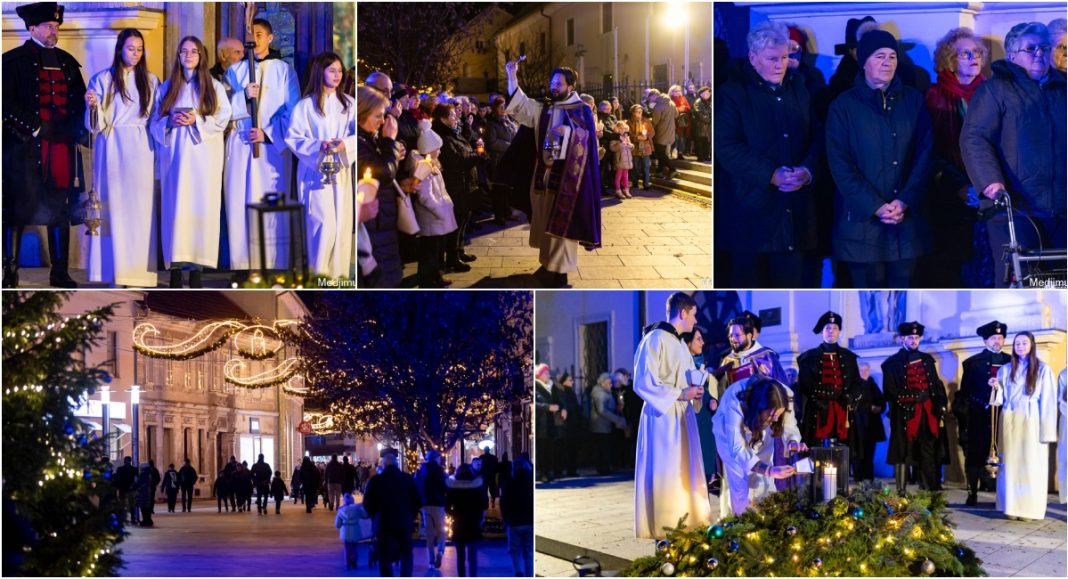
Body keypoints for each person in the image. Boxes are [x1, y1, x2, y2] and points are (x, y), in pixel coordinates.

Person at [715, 20, 821, 288]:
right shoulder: (732, 94)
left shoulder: (799, 88)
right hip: (751, 218)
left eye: (785, 57)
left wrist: (807, 170)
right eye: (772, 58)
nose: (780, 65)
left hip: (795, 219)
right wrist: (771, 174)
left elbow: (818, 136)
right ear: (753, 58)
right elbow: (726, 146)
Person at [960, 22, 1067, 286]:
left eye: (1043, 47)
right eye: (1030, 49)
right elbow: (974, 138)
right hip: (1016, 208)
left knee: (1058, 283)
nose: (1039, 54)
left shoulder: (1062, 88)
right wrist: (991, 183)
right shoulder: (995, 91)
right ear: (1011, 55)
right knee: (1021, 281)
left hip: (1061, 208)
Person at [826, 28, 933, 288]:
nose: (887, 63)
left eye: (892, 56)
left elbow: (925, 154)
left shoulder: (913, 100)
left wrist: (904, 200)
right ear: (863, 62)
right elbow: (840, 164)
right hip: (861, 226)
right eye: (879, 56)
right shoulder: (843, 106)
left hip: (905, 224)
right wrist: (875, 205)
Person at [2, 1, 86, 289]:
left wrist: (76, 129)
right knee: (16, 209)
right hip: (24, 150)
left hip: (61, 149)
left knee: (59, 208)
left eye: (57, 26)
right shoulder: (11, 62)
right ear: (32, 27)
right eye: (50, 26)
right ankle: (9, 272)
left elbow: (79, 104)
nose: (55, 30)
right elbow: (6, 104)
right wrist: (36, 127)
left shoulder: (68, 63)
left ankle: (59, 272)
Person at [504, 60, 601, 288]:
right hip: (544, 176)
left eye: (558, 83)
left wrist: (566, 134)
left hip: (568, 180)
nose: (553, 86)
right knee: (545, 220)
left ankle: (561, 273)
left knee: (563, 227)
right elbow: (521, 106)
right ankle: (549, 264)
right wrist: (512, 75)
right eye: (552, 82)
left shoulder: (581, 110)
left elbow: (586, 145)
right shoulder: (545, 107)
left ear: (571, 86)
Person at [151, 35, 231, 288]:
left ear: (201, 56)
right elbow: (154, 121)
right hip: (175, 158)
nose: (188, 55)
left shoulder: (214, 87)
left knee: (200, 210)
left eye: (194, 51)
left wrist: (196, 119)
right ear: (178, 56)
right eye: (184, 51)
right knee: (175, 210)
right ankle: (175, 270)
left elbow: (223, 118)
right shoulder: (166, 88)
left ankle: (196, 271)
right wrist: (169, 122)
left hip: (203, 158)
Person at [83, 28, 160, 287]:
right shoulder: (103, 79)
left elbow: (158, 119)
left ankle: (138, 273)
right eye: (131, 48)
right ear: (120, 49)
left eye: (140, 49)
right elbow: (96, 125)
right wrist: (93, 105)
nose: (136, 54)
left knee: (139, 211)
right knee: (113, 208)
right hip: (112, 147)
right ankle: (112, 271)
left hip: (141, 149)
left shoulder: (151, 80)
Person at [224, 18, 299, 279]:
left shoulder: (284, 71)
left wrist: (267, 134)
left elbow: (293, 111)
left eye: (259, 34)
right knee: (241, 202)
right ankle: (243, 264)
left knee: (268, 203)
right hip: (242, 144)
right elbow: (222, 110)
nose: (254, 39)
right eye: (251, 34)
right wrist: (242, 96)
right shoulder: (236, 71)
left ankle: (271, 264)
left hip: (270, 151)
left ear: (270, 38)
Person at [633, 292, 710, 539]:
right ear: (683, 312)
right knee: (667, 474)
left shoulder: (679, 344)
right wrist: (680, 393)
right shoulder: (654, 338)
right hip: (662, 418)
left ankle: (686, 525)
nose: (695, 321)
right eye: (694, 315)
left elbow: (687, 380)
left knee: (684, 474)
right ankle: (666, 530)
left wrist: (696, 391)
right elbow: (643, 382)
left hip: (682, 418)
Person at [922, 27, 991, 288]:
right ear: (950, 59)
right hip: (949, 197)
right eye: (965, 54)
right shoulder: (934, 96)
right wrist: (959, 186)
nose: (974, 58)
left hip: (988, 193)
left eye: (976, 53)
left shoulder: (991, 92)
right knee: (954, 268)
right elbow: (929, 151)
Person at [287, 52, 357, 281]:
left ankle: (337, 276)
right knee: (322, 223)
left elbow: (358, 136)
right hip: (315, 174)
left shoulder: (349, 104)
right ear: (320, 72)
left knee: (340, 225)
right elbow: (294, 138)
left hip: (341, 172)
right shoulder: (305, 106)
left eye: (339, 71)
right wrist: (320, 145)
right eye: (332, 70)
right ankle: (318, 276)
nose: (337, 75)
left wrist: (344, 145)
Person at [989, 331, 1057, 520]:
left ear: (1032, 345)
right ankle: (1010, 506)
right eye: (1017, 343)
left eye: (1024, 343)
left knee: (1030, 464)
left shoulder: (1043, 369)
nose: (1020, 346)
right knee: (1010, 464)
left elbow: (1048, 401)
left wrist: (1047, 431)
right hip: (1010, 420)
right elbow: (999, 400)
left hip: (1031, 420)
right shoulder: (1005, 369)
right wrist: (996, 387)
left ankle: (1029, 509)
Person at [713, 376, 803, 517]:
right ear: (759, 407)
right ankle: (742, 524)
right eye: (772, 414)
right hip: (728, 434)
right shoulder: (735, 400)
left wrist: (793, 443)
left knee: (765, 479)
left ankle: (768, 520)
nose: (775, 418)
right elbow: (738, 450)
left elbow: (790, 426)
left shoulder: (785, 396)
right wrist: (769, 470)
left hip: (761, 428)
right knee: (740, 481)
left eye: (778, 414)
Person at [882, 322, 949, 493]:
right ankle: (901, 492)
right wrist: (911, 398)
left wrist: (940, 404)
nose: (914, 340)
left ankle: (931, 490)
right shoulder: (892, 363)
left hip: (928, 413)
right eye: (910, 337)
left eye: (916, 337)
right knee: (903, 452)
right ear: (903, 338)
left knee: (928, 450)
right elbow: (890, 392)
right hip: (905, 414)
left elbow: (935, 385)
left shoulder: (927, 360)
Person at [954, 321, 1010, 506]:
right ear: (986, 341)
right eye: (993, 338)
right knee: (975, 456)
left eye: (1000, 337)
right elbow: (965, 393)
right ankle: (973, 492)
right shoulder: (973, 364)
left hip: (1003, 417)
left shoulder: (1011, 362)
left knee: (1004, 454)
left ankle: (1003, 495)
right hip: (978, 417)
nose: (997, 341)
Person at [796, 311, 862, 448]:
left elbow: (856, 381)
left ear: (839, 332)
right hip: (818, 409)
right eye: (828, 328)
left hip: (842, 409)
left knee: (842, 448)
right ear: (822, 331)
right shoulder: (808, 357)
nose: (831, 331)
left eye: (835, 328)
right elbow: (805, 384)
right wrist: (821, 397)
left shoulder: (849, 357)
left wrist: (850, 397)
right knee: (818, 447)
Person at [432, 103, 482, 275]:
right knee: (456, 221)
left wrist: (473, 153)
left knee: (463, 219)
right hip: (456, 184)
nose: (456, 118)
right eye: (452, 116)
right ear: (443, 119)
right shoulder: (443, 137)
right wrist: (478, 154)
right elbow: (457, 160)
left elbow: (464, 150)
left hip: (464, 183)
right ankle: (452, 259)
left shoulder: (452, 133)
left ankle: (459, 251)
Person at [362, 448, 421, 577]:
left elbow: (367, 503)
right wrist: (410, 514)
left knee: (384, 555)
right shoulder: (407, 479)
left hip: (383, 523)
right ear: (396, 464)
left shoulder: (376, 481)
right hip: (403, 521)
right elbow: (417, 500)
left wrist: (374, 515)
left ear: (383, 465)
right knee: (406, 553)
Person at [681, 327, 719, 490]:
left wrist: (712, 400)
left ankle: (704, 509)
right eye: (698, 339)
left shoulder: (702, 364)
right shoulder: (681, 364)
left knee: (704, 466)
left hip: (704, 419)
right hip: (689, 417)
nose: (702, 342)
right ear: (688, 342)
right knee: (690, 465)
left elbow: (706, 389)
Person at [447, 464, 487, 577]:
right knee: (472, 556)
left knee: (460, 557)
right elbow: (483, 505)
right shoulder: (476, 487)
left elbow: (447, 507)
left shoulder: (454, 488)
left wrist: (455, 514)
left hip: (459, 524)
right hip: (473, 524)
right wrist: (478, 517)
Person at [485, 95, 519, 225]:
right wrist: (510, 146)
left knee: (507, 188)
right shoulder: (491, 123)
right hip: (499, 160)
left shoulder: (508, 120)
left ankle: (508, 212)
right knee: (499, 189)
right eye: (500, 107)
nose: (503, 109)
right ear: (495, 109)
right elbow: (492, 142)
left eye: (505, 106)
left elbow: (515, 134)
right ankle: (499, 215)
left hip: (510, 159)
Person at [851, 362, 887, 482]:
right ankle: (859, 478)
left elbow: (881, 400)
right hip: (858, 425)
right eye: (861, 370)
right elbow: (853, 403)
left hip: (871, 425)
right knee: (858, 453)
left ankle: (869, 478)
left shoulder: (872, 384)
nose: (864, 372)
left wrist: (880, 408)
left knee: (869, 453)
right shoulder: (854, 385)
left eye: (866, 370)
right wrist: (869, 407)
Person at [501, 453, 534, 578]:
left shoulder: (509, 483)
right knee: (529, 550)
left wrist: (505, 519)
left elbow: (504, 503)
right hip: (530, 521)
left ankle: (518, 571)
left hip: (514, 522)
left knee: (514, 550)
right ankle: (530, 573)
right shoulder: (531, 483)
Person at [590, 372, 628, 475]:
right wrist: (616, 419)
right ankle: (602, 468)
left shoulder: (606, 392)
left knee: (606, 447)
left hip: (606, 425)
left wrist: (617, 408)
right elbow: (602, 410)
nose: (611, 384)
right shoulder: (599, 393)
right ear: (603, 383)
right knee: (602, 448)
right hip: (600, 425)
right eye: (609, 382)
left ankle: (605, 467)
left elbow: (609, 407)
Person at [415, 450, 447, 570]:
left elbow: (417, 486)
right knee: (441, 531)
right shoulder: (440, 471)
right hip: (438, 504)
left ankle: (431, 560)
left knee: (429, 533)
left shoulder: (421, 470)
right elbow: (445, 487)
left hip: (425, 505)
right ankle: (440, 551)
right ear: (436, 458)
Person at [551, 371, 581, 479]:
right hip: (563, 424)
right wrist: (563, 408)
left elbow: (575, 406)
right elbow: (559, 403)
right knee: (560, 448)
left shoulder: (571, 392)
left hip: (572, 424)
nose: (572, 382)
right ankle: (558, 471)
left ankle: (571, 470)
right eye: (570, 380)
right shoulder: (559, 390)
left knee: (572, 448)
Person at [534, 363, 560, 482]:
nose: (548, 375)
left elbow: (558, 400)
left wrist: (562, 408)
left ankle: (550, 472)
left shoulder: (552, 387)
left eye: (548, 373)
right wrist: (548, 407)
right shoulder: (535, 387)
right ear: (539, 375)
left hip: (550, 423)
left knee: (550, 449)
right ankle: (543, 473)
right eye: (546, 373)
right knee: (542, 450)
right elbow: (535, 404)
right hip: (540, 424)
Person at [335, 492, 371, 569]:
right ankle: (354, 561)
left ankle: (348, 562)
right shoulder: (357, 510)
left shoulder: (341, 511)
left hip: (345, 532)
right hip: (355, 530)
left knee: (347, 548)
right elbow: (365, 516)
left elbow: (338, 524)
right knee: (354, 547)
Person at [649, 89, 678, 179]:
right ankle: (659, 171)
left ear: (656, 96)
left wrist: (650, 120)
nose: (651, 98)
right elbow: (676, 115)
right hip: (671, 130)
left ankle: (673, 169)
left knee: (660, 152)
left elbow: (655, 121)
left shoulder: (658, 106)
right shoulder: (671, 103)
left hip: (662, 131)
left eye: (652, 96)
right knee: (663, 151)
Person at [627, 105, 654, 192]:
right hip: (635, 148)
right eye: (637, 112)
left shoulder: (646, 121)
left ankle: (646, 184)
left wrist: (646, 137)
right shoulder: (629, 122)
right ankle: (635, 183)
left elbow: (652, 131)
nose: (639, 114)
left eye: (640, 112)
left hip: (645, 147)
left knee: (646, 165)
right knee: (635, 166)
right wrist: (637, 138)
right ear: (633, 112)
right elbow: (628, 133)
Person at [608, 120, 635, 200]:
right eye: (621, 128)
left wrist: (631, 145)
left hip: (627, 159)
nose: (623, 130)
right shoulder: (615, 137)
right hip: (619, 160)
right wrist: (620, 144)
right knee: (618, 176)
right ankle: (618, 190)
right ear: (617, 129)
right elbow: (612, 148)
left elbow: (631, 147)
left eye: (624, 128)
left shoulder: (626, 136)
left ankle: (626, 189)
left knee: (626, 175)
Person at [114, 456, 139, 523]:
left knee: (129, 504)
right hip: (126, 489)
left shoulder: (121, 469)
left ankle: (129, 518)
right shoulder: (133, 469)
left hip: (126, 489)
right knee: (128, 504)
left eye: (128, 460)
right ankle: (129, 518)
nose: (127, 462)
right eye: (127, 460)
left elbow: (117, 479)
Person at [669, 85, 691, 159]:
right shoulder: (670, 99)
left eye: (679, 90)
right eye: (676, 91)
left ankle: (680, 153)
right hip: (673, 122)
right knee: (675, 138)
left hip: (681, 122)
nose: (678, 92)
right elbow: (671, 109)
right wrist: (679, 109)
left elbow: (688, 108)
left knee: (681, 138)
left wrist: (683, 108)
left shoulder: (683, 98)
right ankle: (673, 152)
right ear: (672, 92)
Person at [691, 86, 712, 163]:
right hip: (700, 125)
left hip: (707, 126)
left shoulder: (708, 102)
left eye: (709, 92)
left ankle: (706, 156)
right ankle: (700, 156)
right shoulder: (698, 102)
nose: (708, 94)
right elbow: (698, 113)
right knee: (700, 142)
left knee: (706, 142)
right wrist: (708, 120)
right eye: (706, 93)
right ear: (701, 94)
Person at [135, 463, 154, 527]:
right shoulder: (149, 474)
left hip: (142, 493)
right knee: (147, 507)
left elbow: (139, 483)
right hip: (147, 492)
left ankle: (146, 520)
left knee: (143, 507)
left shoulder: (143, 474)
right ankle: (148, 520)